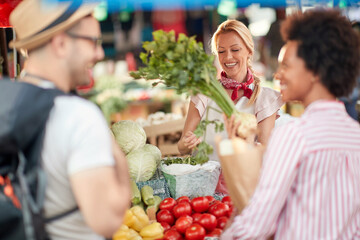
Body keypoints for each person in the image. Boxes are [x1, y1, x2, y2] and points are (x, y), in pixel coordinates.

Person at [222, 9, 360, 239]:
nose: (278, 75)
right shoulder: (356, 135)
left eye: (286, 65)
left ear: (315, 70)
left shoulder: (295, 135)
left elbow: (257, 224)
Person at [8, 0, 131, 239]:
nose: (99, 53)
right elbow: (106, 221)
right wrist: (119, 159)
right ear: (61, 43)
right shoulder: (78, 116)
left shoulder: (9, 102)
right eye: (93, 42)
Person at [177, 19, 283, 159]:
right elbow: (182, 148)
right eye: (221, 51)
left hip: (241, 179)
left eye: (235, 49)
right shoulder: (204, 94)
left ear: (249, 51)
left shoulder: (265, 99)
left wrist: (248, 143)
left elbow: (264, 156)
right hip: (205, 179)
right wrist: (186, 143)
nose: (228, 57)